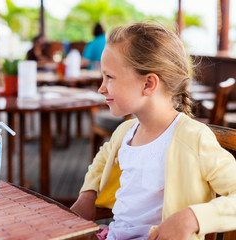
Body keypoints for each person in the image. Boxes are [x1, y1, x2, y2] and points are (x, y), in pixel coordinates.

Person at [70, 22, 236, 240]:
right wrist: (87, 194)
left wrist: (192, 218)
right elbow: (102, 160)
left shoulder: (193, 138)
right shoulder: (126, 131)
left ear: (148, 84)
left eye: (109, 77)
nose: (101, 88)